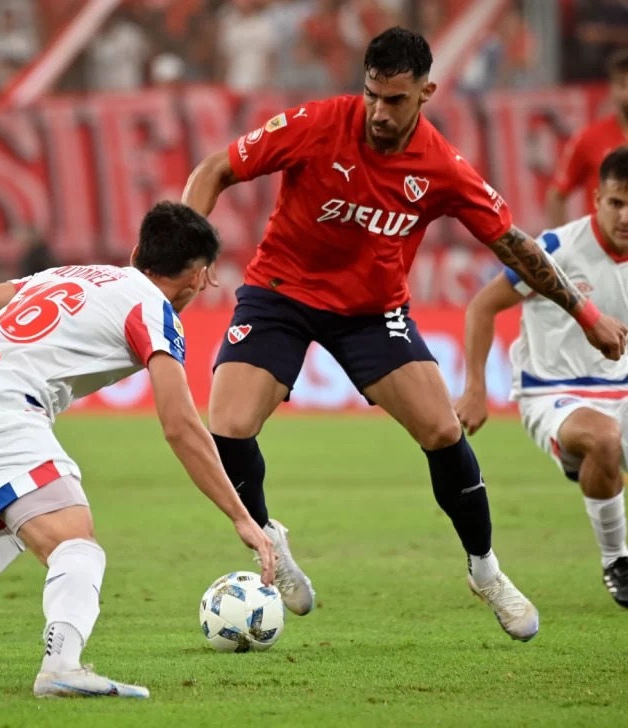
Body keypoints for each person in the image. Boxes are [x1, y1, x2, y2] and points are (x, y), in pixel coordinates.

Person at [182, 27, 627, 640]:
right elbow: (215, 169)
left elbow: (515, 246)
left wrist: (586, 313)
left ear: (426, 93)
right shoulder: (317, 123)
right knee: (227, 426)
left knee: (443, 430)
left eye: (394, 100)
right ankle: (270, 543)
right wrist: (189, 251)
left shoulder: (442, 166)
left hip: (371, 312)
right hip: (281, 293)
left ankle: (485, 570)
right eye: (371, 95)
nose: (378, 113)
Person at [0, 202, 275, 697]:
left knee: (10, 528)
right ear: (201, 277)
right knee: (76, 544)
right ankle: (62, 666)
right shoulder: (154, 313)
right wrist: (242, 515)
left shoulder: (69, 275)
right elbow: (181, 426)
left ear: (138, 252)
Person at [457, 147, 628, 609]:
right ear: (596, 200)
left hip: (622, 390)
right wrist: (475, 387)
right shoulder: (556, 250)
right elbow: (483, 305)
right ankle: (618, 561)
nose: (625, 215)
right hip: (554, 394)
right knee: (604, 439)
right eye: (616, 202)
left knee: (609, 439)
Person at [546, 49, 628, 227]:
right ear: (612, 89)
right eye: (622, 84)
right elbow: (557, 195)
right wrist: (565, 245)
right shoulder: (589, 137)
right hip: (603, 251)